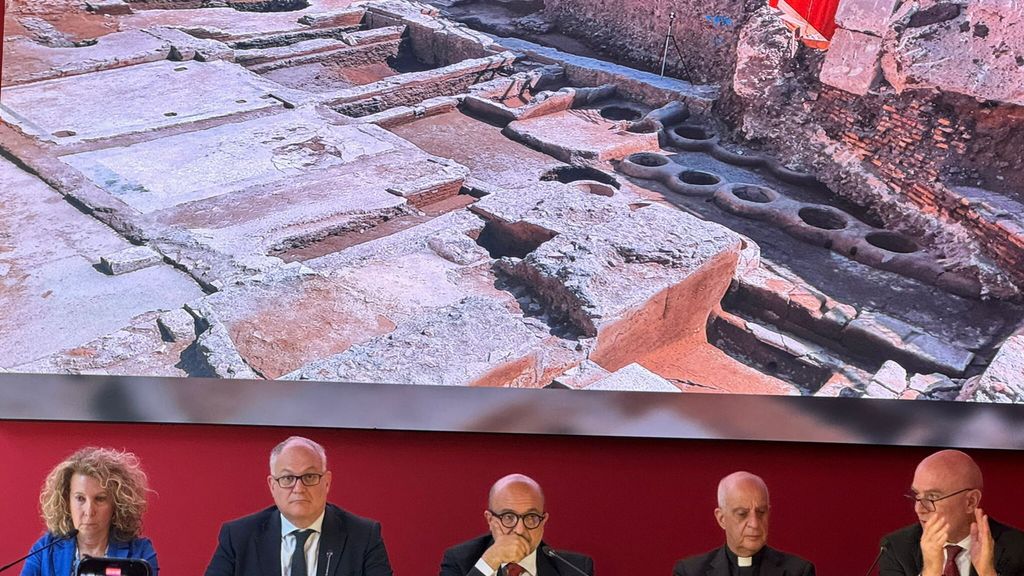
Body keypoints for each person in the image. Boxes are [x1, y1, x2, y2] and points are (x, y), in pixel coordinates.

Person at [204, 436, 392, 576]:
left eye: (309, 477)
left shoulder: (363, 536)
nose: (299, 488)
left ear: (326, 482)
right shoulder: (238, 536)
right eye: (287, 478)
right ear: (272, 485)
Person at [879, 449, 1024, 576]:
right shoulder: (896, 548)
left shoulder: (1018, 549)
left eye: (933, 497)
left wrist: (987, 573)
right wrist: (930, 572)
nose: (919, 508)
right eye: (917, 495)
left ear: (970, 502)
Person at [21, 447, 159, 576]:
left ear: (117, 504)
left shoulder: (140, 553)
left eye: (100, 499)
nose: (89, 511)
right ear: (66, 501)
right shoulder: (45, 550)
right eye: (80, 498)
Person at [439, 473, 593, 576]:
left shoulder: (575, 569)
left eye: (531, 517)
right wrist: (490, 561)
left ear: (543, 521)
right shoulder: (460, 560)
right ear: (490, 520)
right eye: (508, 517)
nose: (520, 530)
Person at [673, 471, 814, 576]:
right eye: (742, 514)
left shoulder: (798, 572)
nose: (754, 523)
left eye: (761, 512)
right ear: (721, 519)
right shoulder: (690, 572)